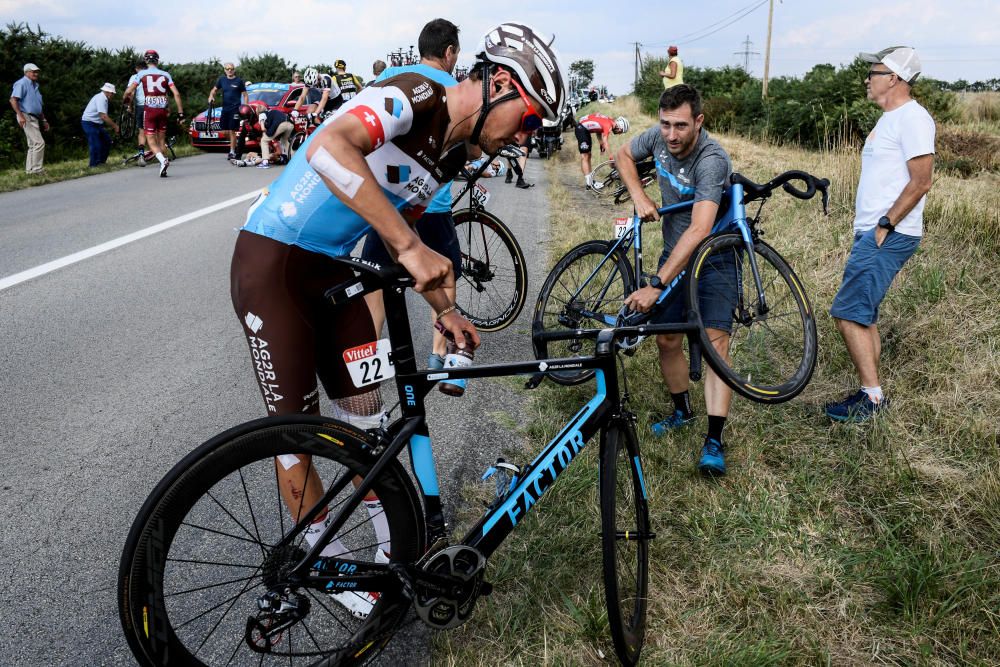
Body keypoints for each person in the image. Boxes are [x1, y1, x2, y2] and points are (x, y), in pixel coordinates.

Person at [229, 21, 564, 617]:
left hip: (336, 271)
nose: (522, 139)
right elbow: (330, 146)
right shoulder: (418, 89)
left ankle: (394, 559)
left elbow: (408, 230)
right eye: (531, 120)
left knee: (366, 426)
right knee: (297, 434)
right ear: (503, 85)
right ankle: (315, 566)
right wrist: (409, 250)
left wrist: (447, 310)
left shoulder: (457, 151)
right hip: (273, 262)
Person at [615, 84, 733, 476]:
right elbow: (622, 155)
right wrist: (640, 197)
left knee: (715, 345)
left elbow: (700, 229)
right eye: (665, 124)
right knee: (667, 339)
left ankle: (714, 439)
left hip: (714, 258)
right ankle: (682, 410)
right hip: (673, 253)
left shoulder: (712, 159)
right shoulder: (658, 138)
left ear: (698, 121)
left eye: (680, 125)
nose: (671, 135)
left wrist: (657, 284)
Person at [825, 46, 934, 423]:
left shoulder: (913, 118)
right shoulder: (887, 119)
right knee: (864, 313)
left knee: (847, 313)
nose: (867, 79)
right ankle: (871, 392)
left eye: (874, 72)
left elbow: (921, 182)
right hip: (874, 230)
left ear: (894, 78)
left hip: (890, 231)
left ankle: (872, 399)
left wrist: (885, 224)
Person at [358, 18, 464, 371]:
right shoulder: (454, 88)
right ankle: (440, 355)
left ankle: (367, 361)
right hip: (431, 204)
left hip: (385, 203)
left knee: (374, 279)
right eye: (456, 54)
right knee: (445, 274)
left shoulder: (394, 78)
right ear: (449, 52)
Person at [124, 49, 184, 177]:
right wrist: (180, 113)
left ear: (146, 60)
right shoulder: (166, 74)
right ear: (158, 60)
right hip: (162, 110)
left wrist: (126, 101)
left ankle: (162, 161)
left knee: (151, 140)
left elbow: (129, 92)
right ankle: (164, 163)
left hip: (149, 110)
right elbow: (176, 94)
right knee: (161, 140)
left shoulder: (141, 74)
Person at [9, 63, 48, 175]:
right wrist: (20, 116)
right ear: (26, 72)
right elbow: (13, 100)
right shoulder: (21, 83)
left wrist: (44, 120)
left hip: (34, 117)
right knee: (39, 142)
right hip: (26, 116)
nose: (36, 74)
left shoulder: (35, 86)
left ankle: (30, 171)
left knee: (32, 145)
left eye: (37, 72)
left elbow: (38, 105)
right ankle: (37, 170)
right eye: (33, 71)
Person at [575, 112, 629, 189]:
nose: (619, 134)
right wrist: (611, 158)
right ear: (620, 127)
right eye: (621, 132)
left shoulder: (609, 120)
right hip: (581, 128)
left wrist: (601, 143)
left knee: (588, 155)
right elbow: (606, 142)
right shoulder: (609, 125)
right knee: (585, 156)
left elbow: (598, 130)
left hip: (583, 128)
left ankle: (590, 181)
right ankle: (589, 183)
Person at [208, 62, 249, 159]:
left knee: (232, 131)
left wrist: (245, 107)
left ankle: (232, 151)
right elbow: (213, 90)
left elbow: (245, 95)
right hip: (225, 109)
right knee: (224, 131)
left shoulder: (239, 81)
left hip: (235, 109)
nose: (229, 70)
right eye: (227, 69)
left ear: (234, 70)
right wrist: (211, 97)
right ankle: (234, 143)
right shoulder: (222, 80)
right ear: (224, 70)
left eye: (231, 68)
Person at [80, 83, 120, 167]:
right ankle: (93, 165)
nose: (113, 95)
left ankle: (101, 162)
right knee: (95, 144)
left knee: (107, 141)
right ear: (108, 92)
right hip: (89, 123)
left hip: (97, 124)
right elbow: (104, 116)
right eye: (113, 93)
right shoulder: (101, 98)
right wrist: (115, 126)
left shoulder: (104, 98)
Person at [125, 60, 149, 166]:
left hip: (141, 105)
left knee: (142, 131)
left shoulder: (134, 77)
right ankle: (161, 154)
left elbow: (130, 93)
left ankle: (141, 155)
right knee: (156, 130)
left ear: (136, 68)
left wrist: (129, 107)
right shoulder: (152, 76)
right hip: (155, 105)